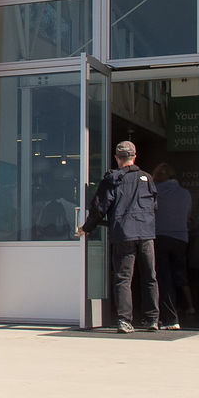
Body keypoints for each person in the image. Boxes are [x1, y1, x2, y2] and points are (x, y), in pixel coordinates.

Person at [79, 141, 159, 333]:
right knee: (150, 277)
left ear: (116, 158)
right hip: (146, 233)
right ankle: (152, 319)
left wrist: (87, 227)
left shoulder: (113, 179)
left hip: (124, 233)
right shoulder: (147, 178)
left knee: (123, 278)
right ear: (134, 156)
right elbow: (155, 205)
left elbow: (100, 207)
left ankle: (124, 320)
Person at [151, 163, 193, 330]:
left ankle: (169, 318)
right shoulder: (185, 193)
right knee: (180, 276)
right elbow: (188, 215)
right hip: (181, 239)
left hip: (160, 237)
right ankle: (188, 308)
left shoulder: (153, 192)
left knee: (163, 279)